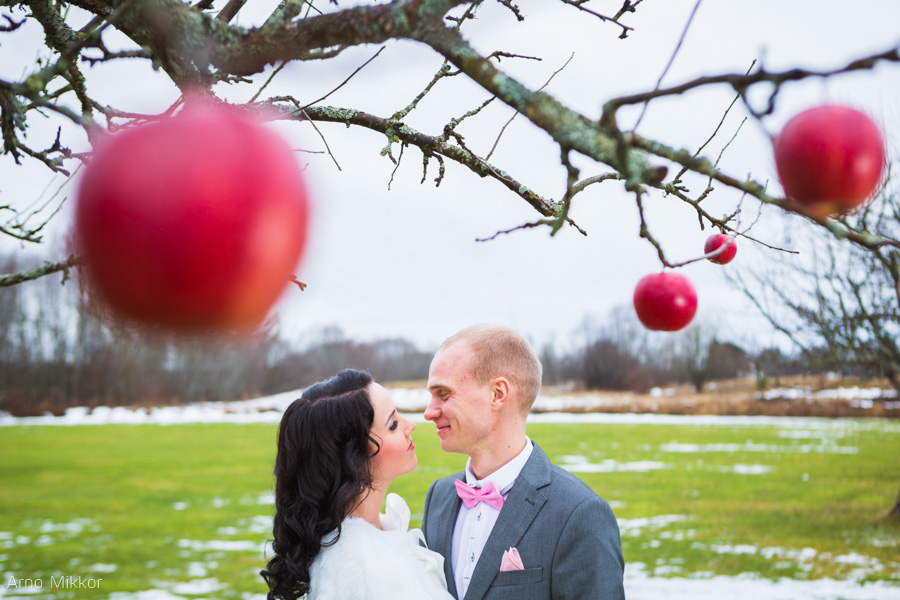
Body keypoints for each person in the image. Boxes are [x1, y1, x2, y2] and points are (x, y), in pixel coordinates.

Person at [422, 325, 625, 600]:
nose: (428, 412)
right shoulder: (439, 497)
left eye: (443, 394)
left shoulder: (579, 514)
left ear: (498, 394)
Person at [261, 369, 454, 600]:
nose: (409, 425)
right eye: (392, 424)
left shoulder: (368, 541)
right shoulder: (364, 569)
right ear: (353, 457)